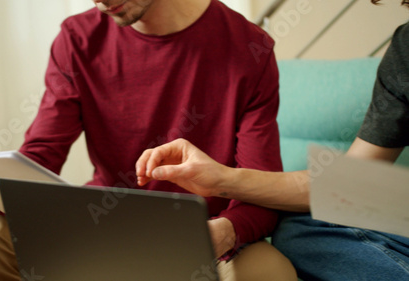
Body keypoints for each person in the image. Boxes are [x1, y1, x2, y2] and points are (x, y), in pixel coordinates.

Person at [0, 0, 297, 280]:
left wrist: (221, 233)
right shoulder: (77, 38)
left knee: (268, 271)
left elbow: (260, 190)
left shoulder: (249, 47)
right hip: (102, 223)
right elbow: (40, 157)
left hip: (205, 234)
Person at [135, 1, 409, 280]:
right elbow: (350, 183)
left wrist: (230, 228)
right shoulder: (404, 49)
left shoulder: (248, 45)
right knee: (298, 229)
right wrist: (221, 178)